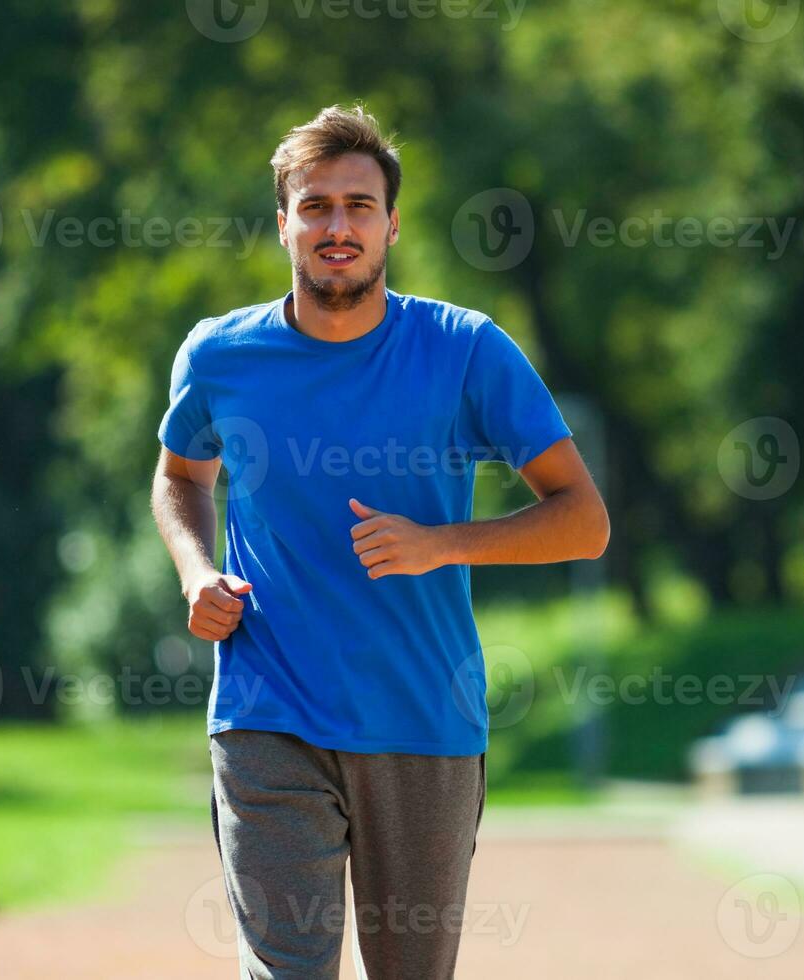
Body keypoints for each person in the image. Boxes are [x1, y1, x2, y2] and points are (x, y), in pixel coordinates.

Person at [150, 104, 609, 980]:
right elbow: (179, 477)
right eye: (315, 206)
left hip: (424, 718)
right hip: (266, 712)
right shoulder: (219, 357)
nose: (337, 226)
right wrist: (195, 569)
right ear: (282, 222)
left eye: (359, 206)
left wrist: (442, 544)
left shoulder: (467, 350)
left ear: (392, 224)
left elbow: (584, 520)